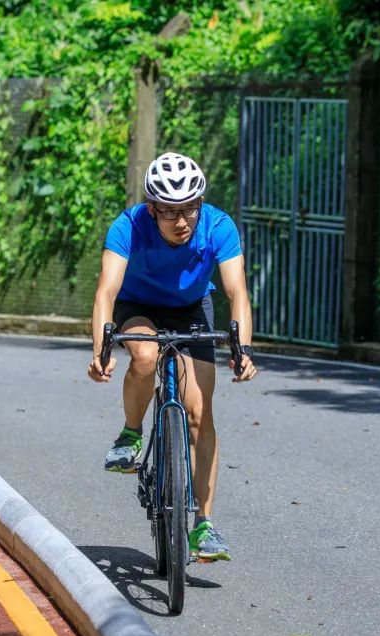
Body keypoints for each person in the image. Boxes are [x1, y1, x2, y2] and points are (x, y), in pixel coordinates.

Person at [87, 152, 257, 561]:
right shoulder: (127, 226)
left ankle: (203, 525)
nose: (182, 221)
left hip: (192, 309)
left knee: (199, 414)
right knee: (144, 357)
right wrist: (102, 349)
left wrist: (243, 348)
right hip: (139, 306)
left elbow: (236, 292)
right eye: (169, 212)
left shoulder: (218, 225)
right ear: (152, 208)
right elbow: (106, 292)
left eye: (190, 210)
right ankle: (130, 434)